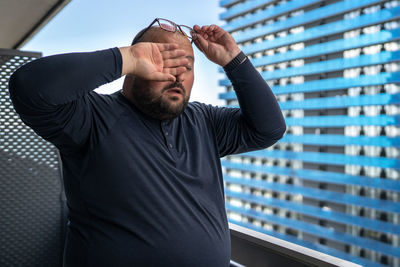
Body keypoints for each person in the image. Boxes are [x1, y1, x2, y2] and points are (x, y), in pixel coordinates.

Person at [9, 18, 286, 267]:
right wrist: (126, 57)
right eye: (165, 62)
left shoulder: (204, 121)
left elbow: (269, 129)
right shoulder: (91, 118)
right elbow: (28, 86)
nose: (178, 75)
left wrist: (232, 59)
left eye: (187, 67)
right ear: (135, 66)